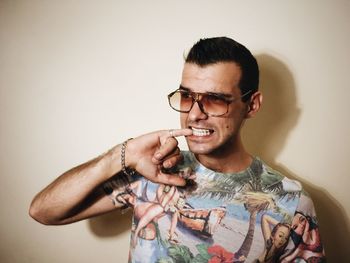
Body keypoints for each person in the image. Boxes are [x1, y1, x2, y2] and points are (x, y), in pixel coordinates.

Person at [29, 37, 326, 262]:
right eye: (186, 96)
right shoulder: (155, 171)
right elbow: (43, 211)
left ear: (252, 104)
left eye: (215, 99)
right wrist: (124, 154)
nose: (194, 114)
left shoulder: (291, 203)